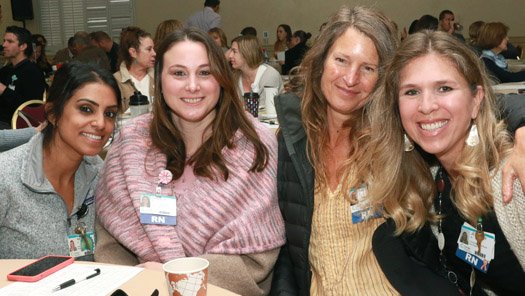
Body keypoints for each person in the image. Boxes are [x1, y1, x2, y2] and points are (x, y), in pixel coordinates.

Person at [96, 28, 285, 295]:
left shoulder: (254, 147)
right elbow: (110, 242)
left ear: (221, 78)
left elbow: (256, 261)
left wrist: (171, 276)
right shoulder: (131, 144)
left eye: (205, 73)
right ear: (158, 79)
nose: (193, 85)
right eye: (179, 73)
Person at [368, 30, 525, 295]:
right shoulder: (427, 177)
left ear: (476, 100)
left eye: (444, 88)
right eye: (412, 91)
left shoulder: (513, 180)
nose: (426, 106)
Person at [270, 6, 401, 295]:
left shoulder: (396, 140)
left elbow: (470, 109)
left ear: (383, 78)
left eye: (368, 68)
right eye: (341, 60)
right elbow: (284, 252)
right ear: (321, 62)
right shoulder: (291, 142)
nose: (350, 78)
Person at [0, 61, 121, 260]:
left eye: (109, 114)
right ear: (53, 113)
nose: (101, 124)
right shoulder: (6, 177)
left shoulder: (101, 175)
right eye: (86, 109)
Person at [0, 26, 47, 129]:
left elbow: (31, 107)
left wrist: (4, 90)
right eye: (4, 41)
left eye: (10, 41)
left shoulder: (32, 71)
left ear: (23, 46)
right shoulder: (6, 70)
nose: (4, 45)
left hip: (15, 124)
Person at [228, 35, 283, 117]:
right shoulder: (235, 77)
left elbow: (264, 111)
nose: (230, 56)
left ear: (247, 53)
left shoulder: (269, 75)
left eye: (234, 52)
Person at [114, 26, 156, 112]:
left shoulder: (158, 78)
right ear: (133, 52)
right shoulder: (115, 81)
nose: (154, 53)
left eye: (153, 49)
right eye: (149, 49)